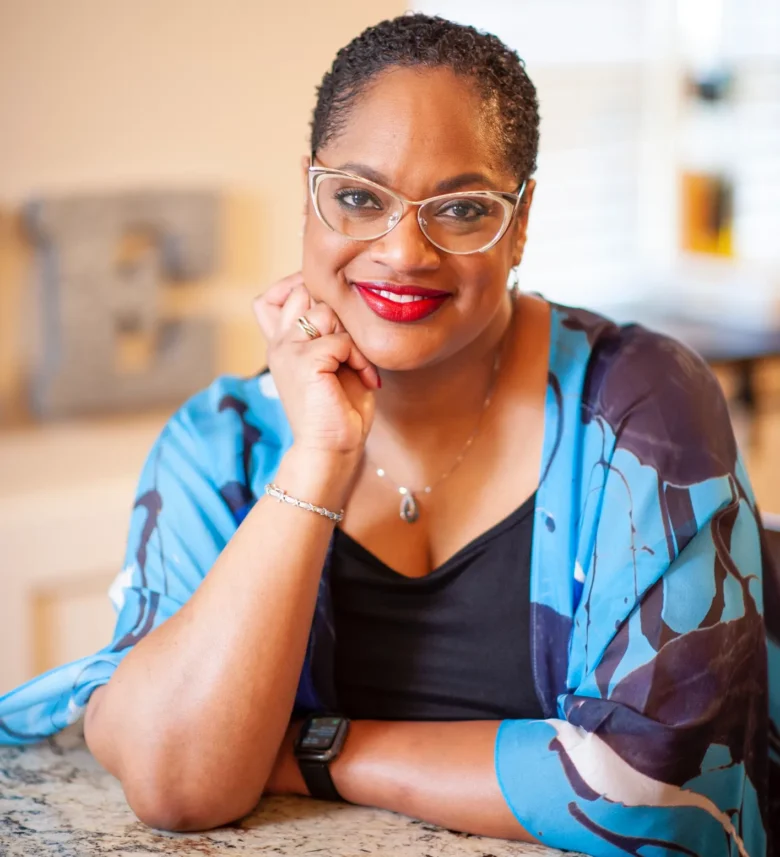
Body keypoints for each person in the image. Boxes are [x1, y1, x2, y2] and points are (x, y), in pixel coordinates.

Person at [1, 13, 777, 856]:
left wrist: (314, 747)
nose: (404, 251)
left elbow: (659, 795)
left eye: (462, 208)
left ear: (519, 223)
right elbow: (180, 782)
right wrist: (320, 456)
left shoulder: (640, 407)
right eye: (361, 197)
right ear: (311, 190)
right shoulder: (218, 446)